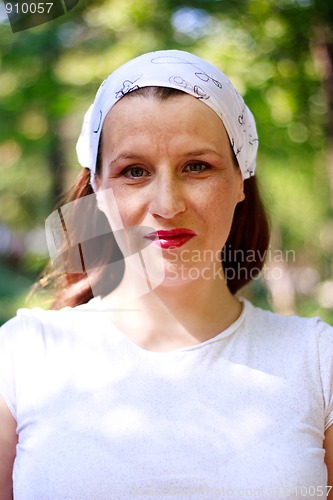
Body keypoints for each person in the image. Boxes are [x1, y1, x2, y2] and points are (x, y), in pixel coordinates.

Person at [0, 49, 332, 500]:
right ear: (96, 186)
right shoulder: (21, 359)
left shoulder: (317, 362)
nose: (167, 205)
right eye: (133, 171)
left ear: (240, 179)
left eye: (197, 166)